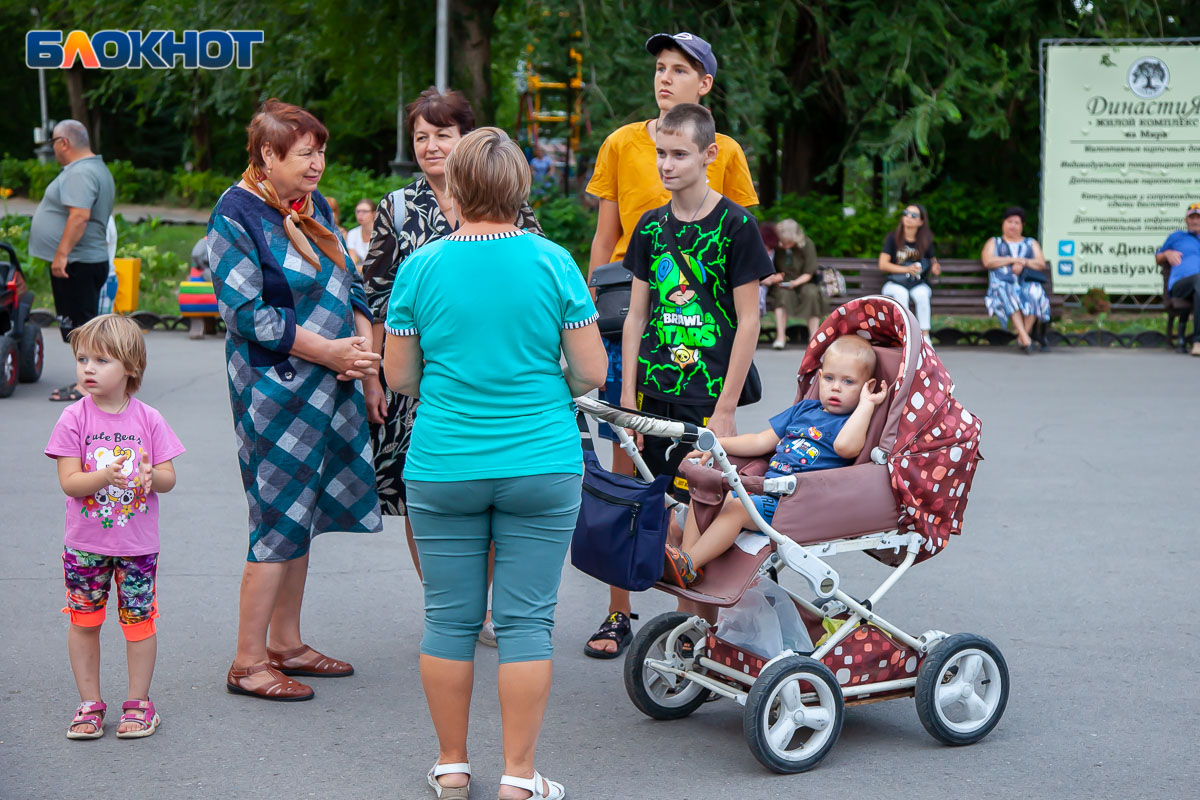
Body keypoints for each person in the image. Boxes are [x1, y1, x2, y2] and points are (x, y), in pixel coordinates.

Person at [382, 127, 606, 800]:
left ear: (453, 189)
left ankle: (452, 766)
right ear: (519, 188)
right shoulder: (553, 263)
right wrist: (542, 385)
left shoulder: (420, 267)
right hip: (541, 459)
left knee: (448, 618)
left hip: (445, 461)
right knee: (526, 623)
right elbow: (592, 370)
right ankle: (517, 775)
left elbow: (400, 377)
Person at [583, 31, 759, 659]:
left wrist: (730, 389)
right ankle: (617, 611)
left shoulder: (726, 152)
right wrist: (587, 322)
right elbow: (606, 240)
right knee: (627, 474)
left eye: (679, 70)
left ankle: (693, 624)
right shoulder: (623, 143)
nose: (664, 78)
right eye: (659, 68)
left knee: (696, 489)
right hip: (634, 320)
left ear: (704, 84)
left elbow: (734, 257)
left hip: (701, 344)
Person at [208, 99, 382, 702]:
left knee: (303, 513)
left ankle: (286, 643)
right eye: (305, 153)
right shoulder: (235, 214)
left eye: (320, 150)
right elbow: (246, 314)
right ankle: (247, 661)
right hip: (276, 391)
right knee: (276, 517)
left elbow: (349, 282)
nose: (318, 163)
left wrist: (363, 360)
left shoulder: (314, 208)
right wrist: (331, 353)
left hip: (329, 385)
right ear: (268, 155)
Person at [362, 87, 543, 589]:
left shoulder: (508, 200)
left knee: (492, 492)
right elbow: (375, 299)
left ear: (468, 138)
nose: (430, 146)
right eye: (421, 137)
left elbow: (536, 282)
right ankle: (442, 597)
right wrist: (374, 381)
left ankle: (483, 604)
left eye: (443, 134)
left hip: (493, 375)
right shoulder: (397, 208)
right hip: (414, 383)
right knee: (422, 499)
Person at [622, 102, 774, 561]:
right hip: (652, 391)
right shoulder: (650, 227)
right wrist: (628, 396)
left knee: (699, 514)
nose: (666, 165)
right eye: (661, 153)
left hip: (706, 396)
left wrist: (725, 408)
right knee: (656, 511)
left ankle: (697, 630)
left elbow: (750, 320)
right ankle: (674, 626)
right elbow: (636, 316)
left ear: (709, 155)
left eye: (679, 154)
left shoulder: (737, 226)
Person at [44, 314, 185, 738]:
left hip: (137, 546)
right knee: (84, 620)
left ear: (130, 367)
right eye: (82, 358)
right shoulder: (73, 418)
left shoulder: (149, 419)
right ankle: (89, 703)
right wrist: (104, 477)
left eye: (101, 360)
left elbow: (168, 478)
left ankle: (139, 704)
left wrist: (149, 478)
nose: (88, 368)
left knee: (138, 622)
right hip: (86, 545)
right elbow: (70, 483)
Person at [663, 335, 885, 587]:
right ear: (820, 377)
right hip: (767, 491)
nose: (836, 387)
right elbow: (760, 441)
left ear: (868, 385)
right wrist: (717, 443)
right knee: (708, 489)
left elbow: (845, 448)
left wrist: (867, 404)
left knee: (736, 509)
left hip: (796, 504)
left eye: (849, 382)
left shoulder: (852, 423)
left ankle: (689, 562)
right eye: (830, 378)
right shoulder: (804, 410)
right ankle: (688, 560)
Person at [28, 119, 116, 402]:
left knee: (81, 329)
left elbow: (79, 216)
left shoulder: (80, 173)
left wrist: (61, 255)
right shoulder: (94, 168)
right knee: (84, 327)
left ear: (63, 143)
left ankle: (87, 387)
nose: (52, 148)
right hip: (84, 261)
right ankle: (93, 382)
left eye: (53, 142)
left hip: (76, 262)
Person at [982, 206, 1050, 354]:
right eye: (1009, 221)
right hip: (1001, 286)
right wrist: (1013, 260)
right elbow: (988, 261)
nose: (1012, 225)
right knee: (1005, 289)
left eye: (1016, 222)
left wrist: (1024, 262)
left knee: (1035, 291)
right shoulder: (994, 242)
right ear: (1003, 223)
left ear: (1022, 225)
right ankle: (1025, 337)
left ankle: (1023, 335)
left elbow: (1040, 263)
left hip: (1024, 285)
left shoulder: (1031, 243)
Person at [879, 203, 941, 341]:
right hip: (894, 283)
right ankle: (905, 336)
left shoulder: (926, 240)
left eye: (913, 215)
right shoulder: (892, 238)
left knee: (923, 294)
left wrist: (935, 268)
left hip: (917, 283)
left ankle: (925, 338)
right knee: (901, 293)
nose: (908, 217)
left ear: (921, 221)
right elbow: (883, 264)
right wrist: (906, 269)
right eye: (906, 213)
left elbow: (933, 262)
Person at [765, 219, 825, 348]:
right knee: (782, 295)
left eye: (789, 243)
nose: (785, 246)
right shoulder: (776, 246)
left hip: (804, 281)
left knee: (812, 294)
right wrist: (775, 278)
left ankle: (813, 336)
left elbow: (809, 272)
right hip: (782, 283)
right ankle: (781, 337)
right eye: (783, 243)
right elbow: (769, 267)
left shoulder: (807, 244)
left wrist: (795, 283)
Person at [1155, 202, 1200, 356]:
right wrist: (1167, 254)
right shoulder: (1177, 237)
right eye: (1191, 218)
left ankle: (1190, 339)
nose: (1195, 221)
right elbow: (1158, 257)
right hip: (1181, 286)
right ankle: (1198, 341)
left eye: (1198, 218)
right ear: (1186, 220)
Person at [345, 198, 375, 268]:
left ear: (374, 214)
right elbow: (352, 263)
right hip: (359, 275)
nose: (360, 214)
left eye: (365, 211)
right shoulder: (352, 233)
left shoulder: (381, 233)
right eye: (358, 211)